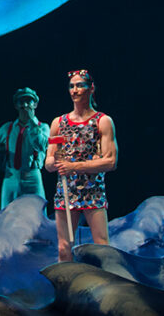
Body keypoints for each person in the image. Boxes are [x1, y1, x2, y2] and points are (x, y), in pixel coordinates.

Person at [43, 70, 118, 262]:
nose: (75, 90)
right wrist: (56, 162)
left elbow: (110, 162)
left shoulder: (102, 121)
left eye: (80, 85)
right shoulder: (58, 123)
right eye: (71, 86)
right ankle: (66, 288)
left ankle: (108, 287)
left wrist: (74, 167)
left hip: (92, 190)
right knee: (63, 247)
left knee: (102, 245)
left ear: (91, 88)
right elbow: (49, 162)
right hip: (66, 191)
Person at [0, 87, 50, 209]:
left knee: (37, 214)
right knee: (7, 214)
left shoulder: (43, 127)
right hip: (11, 176)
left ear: (35, 104)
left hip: (32, 176)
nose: (25, 105)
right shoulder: (7, 128)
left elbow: (41, 146)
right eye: (21, 101)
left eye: (29, 101)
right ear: (16, 105)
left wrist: (32, 123)